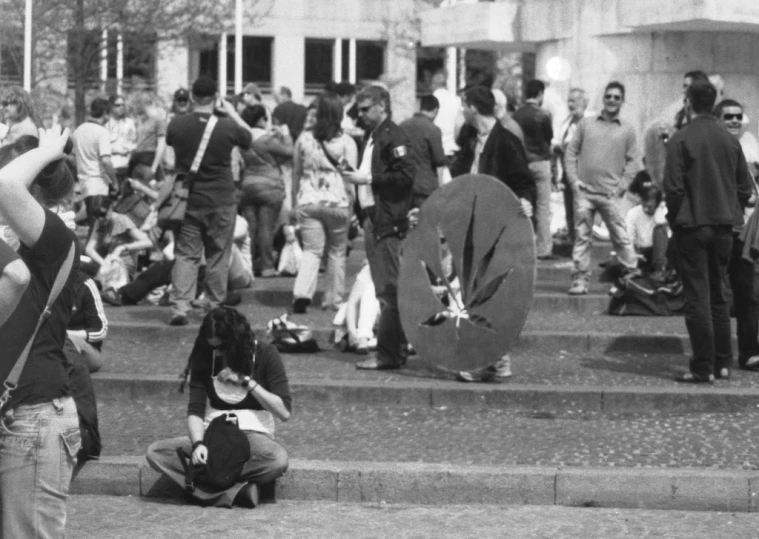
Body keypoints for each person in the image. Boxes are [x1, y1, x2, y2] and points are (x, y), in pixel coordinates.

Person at [0, 126, 81, 537]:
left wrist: (49, 149)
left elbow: (3, 184)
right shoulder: (14, 248)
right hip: (17, 410)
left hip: (33, 414)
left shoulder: (54, 238)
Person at [146, 307, 291, 508]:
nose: (218, 352)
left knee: (277, 460)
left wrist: (247, 381)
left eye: (223, 347)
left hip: (252, 435)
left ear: (237, 341)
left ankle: (202, 487)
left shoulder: (266, 353)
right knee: (156, 452)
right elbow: (195, 410)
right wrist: (198, 444)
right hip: (213, 434)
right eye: (213, 347)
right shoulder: (204, 355)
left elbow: (283, 411)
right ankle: (235, 491)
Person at [664, 80, 753, 383]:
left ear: (688, 103)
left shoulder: (680, 138)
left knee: (698, 297)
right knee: (719, 295)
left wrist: (678, 218)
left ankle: (702, 366)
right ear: (714, 102)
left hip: (693, 226)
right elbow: (746, 188)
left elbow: (673, 189)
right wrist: (731, 209)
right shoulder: (730, 140)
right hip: (725, 227)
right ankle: (723, 363)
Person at [166, 76, 252, 326]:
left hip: (189, 198)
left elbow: (171, 144)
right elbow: (249, 139)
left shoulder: (177, 124)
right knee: (218, 254)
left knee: (186, 254)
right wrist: (232, 112)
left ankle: (180, 306)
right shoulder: (227, 126)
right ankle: (214, 305)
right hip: (222, 198)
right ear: (216, 97)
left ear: (192, 97)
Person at [341, 85, 414, 370]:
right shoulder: (378, 135)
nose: (360, 115)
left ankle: (389, 354)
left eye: (365, 109)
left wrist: (367, 179)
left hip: (387, 221)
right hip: (377, 219)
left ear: (382, 106)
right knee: (387, 289)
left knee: (388, 290)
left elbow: (405, 175)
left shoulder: (393, 135)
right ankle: (396, 349)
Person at [565, 81, 639, 295]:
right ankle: (579, 280)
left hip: (610, 195)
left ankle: (631, 276)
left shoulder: (627, 129)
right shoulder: (586, 124)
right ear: (603, 99)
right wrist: (573, 181)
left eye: (617, 97)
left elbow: (632, 161)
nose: (612, 100)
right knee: (581, 237)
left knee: (620, 236)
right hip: (584, 193)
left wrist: (621, 187)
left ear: (622, 101)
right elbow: (570, 153)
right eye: (609, 96)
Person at [291, 93, 357, 313]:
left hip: (308, 200)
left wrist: (294, 201)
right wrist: (353, 205)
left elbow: (297, 172)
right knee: (337, 251)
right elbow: (351, 177)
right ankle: (333, 299)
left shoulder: (304, 138)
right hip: (337, 202)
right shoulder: (347, 141)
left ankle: (302, 293)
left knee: (312, 250)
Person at [714, 98, 759, 372]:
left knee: (747, 296)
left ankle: (749, 353)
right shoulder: (716, 147)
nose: (734, 121)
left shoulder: (750, 149)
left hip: (743, 234)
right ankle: (719, 356)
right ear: (718, 119)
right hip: (720, 229)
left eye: (738, 117)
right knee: (718, 296)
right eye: (728, 116)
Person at [459, 86, 534, 215]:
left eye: (464, 107)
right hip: (469, 215)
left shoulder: (508, 142)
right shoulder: (470, 138)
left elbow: (524, 183)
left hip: (494, 218)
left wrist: (525, 200)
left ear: (472, 109)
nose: (462, 112)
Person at [238, 104, 294, 277]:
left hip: (247, 186)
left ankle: (248, 265)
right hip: (270, 186)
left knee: (251, 229)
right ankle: (267, 267)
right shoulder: (267, 140)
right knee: (266, 227)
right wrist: (285, 134)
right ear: (262, 119)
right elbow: (289, 152)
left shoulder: (243, 140)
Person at [513, 80, 554, 258]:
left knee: (523, 206)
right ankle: (544, 248)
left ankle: (523, 246)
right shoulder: (543, 114)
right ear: (540, 94)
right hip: (541, 162)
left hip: (521, 165)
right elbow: (549, 137)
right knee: (543, 207)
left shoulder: (516, 115)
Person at [72, 97, 118, 225]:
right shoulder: (102, 132)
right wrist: (114, 182)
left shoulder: (78, 130)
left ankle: (65, 224)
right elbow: (106, 161)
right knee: (97, 227)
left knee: (90, 220)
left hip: (84, 182)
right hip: (98, 184)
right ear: (105, 113)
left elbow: (74, 157)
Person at [553, 88, 590, 244]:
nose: (570, 104)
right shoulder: (566, 122)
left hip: (583, 173)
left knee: (581, 210)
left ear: (583, 102)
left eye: (573, 101)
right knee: (569, 209)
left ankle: (582, 245)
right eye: (568, 100)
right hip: (567, 173)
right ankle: (573, 242)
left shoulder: (591, 122)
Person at [399, 94, 448, 208]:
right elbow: (439, 161)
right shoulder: (433, 129)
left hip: (404, 186)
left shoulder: (402, 126)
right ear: (436, 110)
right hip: (425, 188)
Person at [66, 271, 108, 372]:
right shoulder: (39, 280)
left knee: (68, 342)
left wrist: (65, 334)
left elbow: (101, 330)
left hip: (83, 346)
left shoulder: (84, 283)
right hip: (49, 343)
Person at [625, 183, 669, 274]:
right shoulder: (633, 213)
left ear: (657, 204)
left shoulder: (665, 212)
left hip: (661, 254)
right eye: (643, 205)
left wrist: (659, 214)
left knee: (660, 230)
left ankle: (659, 270)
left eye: (649, 207)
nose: (645, 209)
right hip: (642, 253)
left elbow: (669, 238)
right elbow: (628, 240)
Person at [129, 93, 166, 181]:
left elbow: (161, 144)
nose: (136, 109)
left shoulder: (158, 120)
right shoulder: (140, 121)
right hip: (138, 161)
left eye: (138, 105)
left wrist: (154, 167)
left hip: (149, 160)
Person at [106, 94, 137, 191]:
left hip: (128, 165)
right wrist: (118, 150)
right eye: (117, 105)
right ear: (111, 107)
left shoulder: (130, 122)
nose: (121, 107)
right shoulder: (107, 124)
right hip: (112, 166)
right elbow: (103, 145)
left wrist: (129, 149)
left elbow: (135, 142)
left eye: (122, 105)